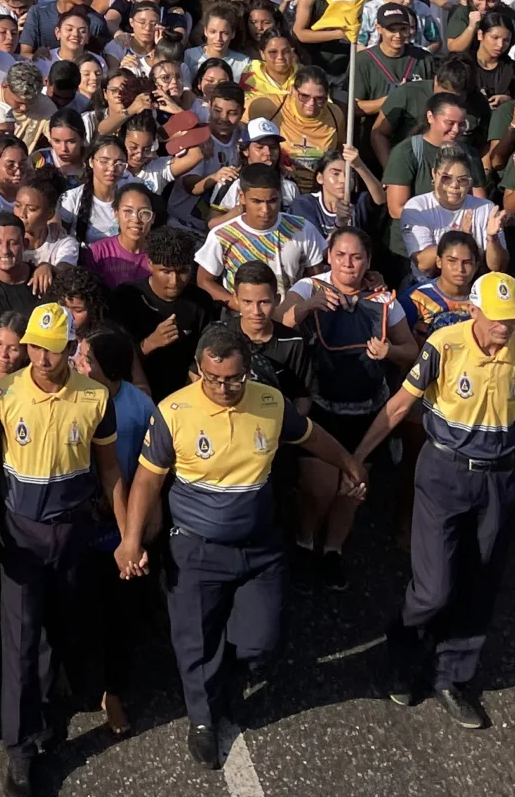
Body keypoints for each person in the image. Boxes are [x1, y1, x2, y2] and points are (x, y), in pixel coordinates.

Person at [125, 322, 367, 765]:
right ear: (198, 370)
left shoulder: (270, 404)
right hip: (196, 550)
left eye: (233, 378)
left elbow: (310, 434)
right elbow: (146, 480)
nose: (223, 387)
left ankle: (231, 673)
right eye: (213, 378)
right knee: (196, 641)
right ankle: (202, 720)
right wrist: (131, 538)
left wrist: (348, 461)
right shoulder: (172, 412)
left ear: (248, 372)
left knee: (261, 641)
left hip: (260, 549)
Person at [352, 272, 515, 728]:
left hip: (498, 479)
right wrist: (356, 458)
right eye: (496, 319)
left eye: (511, 319)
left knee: (480, 583)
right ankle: (403, 654)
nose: (505, 327)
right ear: (474, 310)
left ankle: (452, 677)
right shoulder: (444, 345)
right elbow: (399, 405)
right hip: (444, 473)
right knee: (434, 589)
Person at [0, 302, 119, 796]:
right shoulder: (1, 394)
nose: (41, 357)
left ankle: (47, 719)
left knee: (61, 626)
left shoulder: (96, 397)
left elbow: (110, 471)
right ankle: (19, 751)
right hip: (21, 535)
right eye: (35, 347)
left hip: (74, 530)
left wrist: (127, 534)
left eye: (53, 349)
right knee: (19, 640)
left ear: (70, 350)